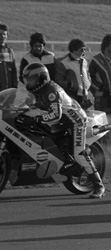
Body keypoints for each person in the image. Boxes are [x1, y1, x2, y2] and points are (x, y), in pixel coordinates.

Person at [17, 63, 105, 198]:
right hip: (62, 120)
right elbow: (29, 103)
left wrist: (36, 119)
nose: (28, 83)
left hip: (75, 121)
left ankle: (99, 186)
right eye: (27, 80)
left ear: (41, 78)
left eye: (31, 80)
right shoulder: (39, 89)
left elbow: (55, 114)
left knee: (79, 154)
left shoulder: (51, 91)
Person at [89, 33, 111, 156]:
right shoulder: (95, 61)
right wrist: (100, 88)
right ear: (106, 46)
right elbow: (90, 78)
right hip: (101, 97)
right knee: (101, 124)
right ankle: (101, 151)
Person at [53, 38, 92, 109]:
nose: (84, 52)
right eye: (82, 49)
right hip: (71, 96)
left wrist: (88, 84)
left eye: (84, 49)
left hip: (84, 96)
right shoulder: (64, 63)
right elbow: (58, 80)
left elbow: (87, 74)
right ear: (74, 50)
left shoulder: (84, 61)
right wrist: (69, 85)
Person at [0, 22, 18, 91]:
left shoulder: (9, 51)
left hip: (8, 91)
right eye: (0, 34)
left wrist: (14, 87)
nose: (2, 36)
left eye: (4, 34)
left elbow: (14, 71)